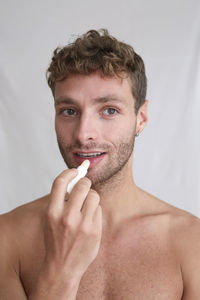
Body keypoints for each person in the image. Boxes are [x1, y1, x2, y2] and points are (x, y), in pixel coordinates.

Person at [0, 29, 200, 300]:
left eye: (109, 110)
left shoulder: (192, 242)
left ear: (140, 118)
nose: (83, 134)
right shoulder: (7, 238)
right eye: (69, 111)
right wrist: (61, 271)